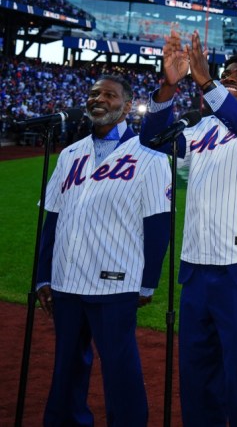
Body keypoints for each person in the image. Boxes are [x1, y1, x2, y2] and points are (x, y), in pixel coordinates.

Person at [140, 30, 237, 427]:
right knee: (196, 374)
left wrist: (209, 84)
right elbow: (153, 140)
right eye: (228, 73)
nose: (232, 77)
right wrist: (167, 87)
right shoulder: (203, 129)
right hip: (197, 264)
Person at [36, 75, 171, 426]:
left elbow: (158, 224)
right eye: (94, 94)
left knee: (119, 368)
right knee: (66, 368)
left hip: (116, 282)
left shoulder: (150, 155)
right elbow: (52, 217)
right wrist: (42, 276)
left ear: (127, 106)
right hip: (67, 281)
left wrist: (147, 283)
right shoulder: (69, 154)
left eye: (110, 95)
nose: (99, 99)